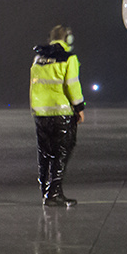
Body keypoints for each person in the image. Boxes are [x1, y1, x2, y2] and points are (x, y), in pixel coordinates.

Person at [30, 25, 85, 206]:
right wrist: (79, 108)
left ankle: (45, 190)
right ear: (67, 39)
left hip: (41, 112)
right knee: (62, 152)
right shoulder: (68, 58)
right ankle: (54, 192)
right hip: (61, 112)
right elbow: (72, 85)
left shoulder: (38, 58)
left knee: (44, 152)